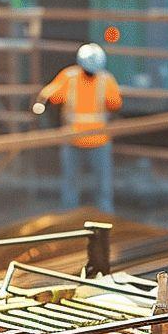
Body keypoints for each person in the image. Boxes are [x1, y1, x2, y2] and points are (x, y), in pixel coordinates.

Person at [33, 43, 122, 213]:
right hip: (75, 140)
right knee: (73, 185)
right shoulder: (71, 78)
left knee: (100, 187)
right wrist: (41, 106)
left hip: (96, 141)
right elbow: (49, 96)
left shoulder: (101, 80)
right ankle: (70, 219)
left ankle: (104, 218)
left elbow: (115, 104)